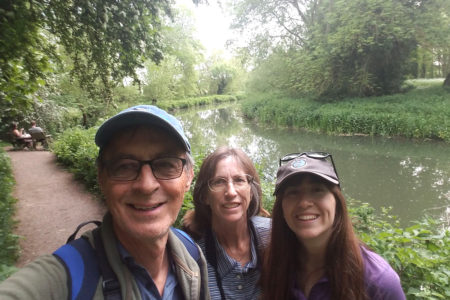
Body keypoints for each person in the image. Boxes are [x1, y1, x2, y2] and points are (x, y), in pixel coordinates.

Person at [0, 105, 210, 300]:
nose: (146, 186)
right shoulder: (65, 279)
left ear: (189, 176)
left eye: (166, 165)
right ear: (101, 177)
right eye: (125, 166)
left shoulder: (191, 253)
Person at [260, 152, 406, 300]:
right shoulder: (275, 263)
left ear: (337, 201)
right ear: (281, 208)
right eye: (293, 193)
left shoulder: (378, 281)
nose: (304, 202)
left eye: (317, 190)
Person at [183, 147, 271, 299]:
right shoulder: (191, 254)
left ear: (251, 191)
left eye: (239, 180)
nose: (231, 192)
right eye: (219, 182)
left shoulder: (272, 235)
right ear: (205, 196)